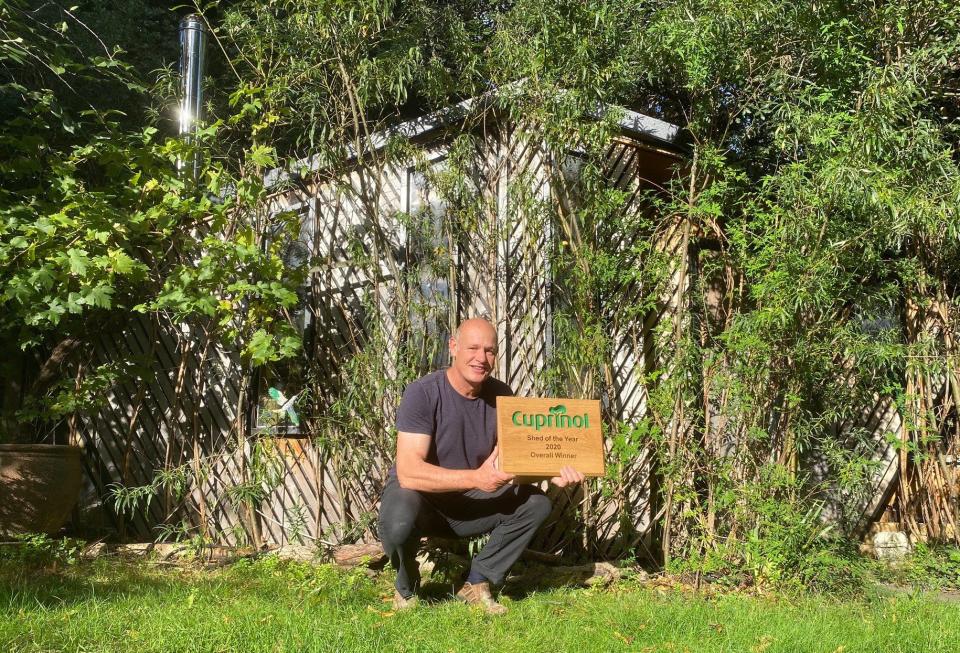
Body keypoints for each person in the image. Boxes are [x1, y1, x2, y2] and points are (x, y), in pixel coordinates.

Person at [378, 317, 585, 614]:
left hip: (471, 501)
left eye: (489, 350)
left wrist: (551, 470)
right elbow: (409, 472)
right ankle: (407, 585)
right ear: (453, 347)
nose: (481, 358)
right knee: (398, 517)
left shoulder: (502, 396)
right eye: (473, 348)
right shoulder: (422, 393)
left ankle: (477, 582)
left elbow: (514, 460)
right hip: (423, 499)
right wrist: (477, 478)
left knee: (536, 504)